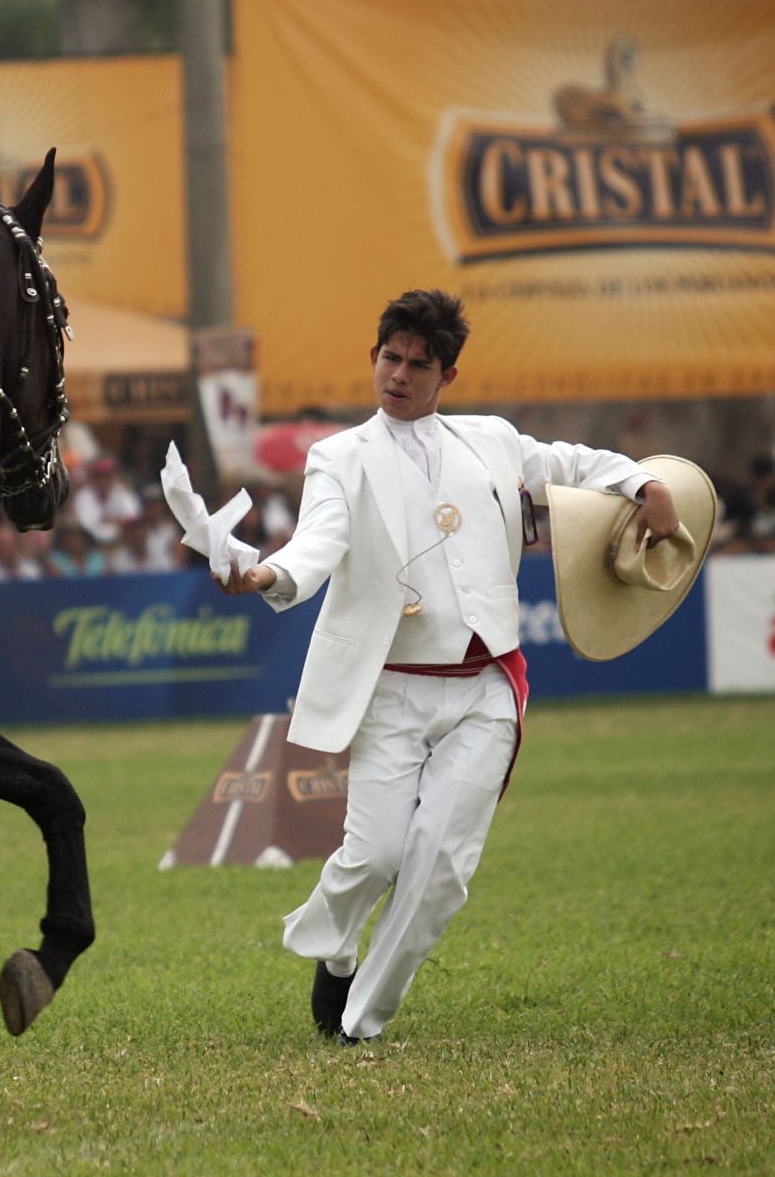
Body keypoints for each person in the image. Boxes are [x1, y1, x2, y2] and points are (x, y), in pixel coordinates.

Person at [215, 289, 678, 1045]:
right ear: (373, 358)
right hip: (390, 691)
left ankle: (360, 1021)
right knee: (375, 857)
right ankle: (334, 950)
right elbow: (317, 542)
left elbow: (572, 463)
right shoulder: (338, 456)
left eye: (417, 364)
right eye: (389, 358)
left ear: (447, 375)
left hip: (488, 687)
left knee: (439, 871)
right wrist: (267, 575)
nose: (398, 374)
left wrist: (645, 483)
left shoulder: (491, 439)